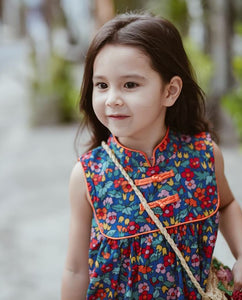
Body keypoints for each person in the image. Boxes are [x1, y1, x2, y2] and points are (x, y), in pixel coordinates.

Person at [61, 12, 242, 299]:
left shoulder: (203, 154)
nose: (112, 99)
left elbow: (227, 204)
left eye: (130, 85)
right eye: (102, 85)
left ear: (170, 91)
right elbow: (75, 270)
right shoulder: (88, 174)